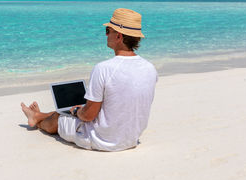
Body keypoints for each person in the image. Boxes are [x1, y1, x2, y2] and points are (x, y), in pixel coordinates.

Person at [21, 8, 158, 151]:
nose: (106, 35)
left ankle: (37, 121)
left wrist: (77, 112)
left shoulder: (104, 68)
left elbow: (88, 116)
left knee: (59, 118)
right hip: (130, 138)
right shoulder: (150, 68)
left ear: (119, 36)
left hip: (102, 140)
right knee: (66, 112)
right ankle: (38, 115)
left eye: (108, 31)